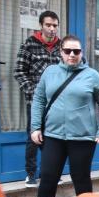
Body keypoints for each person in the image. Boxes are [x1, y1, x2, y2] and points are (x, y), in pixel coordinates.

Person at [30, 35, 99, 197]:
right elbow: (39, 99)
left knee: (81, 179)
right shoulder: (50, 72)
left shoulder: (91, 75)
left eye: (76, 51)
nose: (72, 54)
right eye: (67, 51)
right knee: (48, 178)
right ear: (61, 52)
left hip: (82, 138)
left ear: (81, 52)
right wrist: (35, 127)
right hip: (53, 136)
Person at [14, 10, 62, 187]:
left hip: (57, 103)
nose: (52, 29)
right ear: (41, 25)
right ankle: (31, 174)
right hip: (35, 101)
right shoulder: (29, 44)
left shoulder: (62, 46)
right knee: (33, 137)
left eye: (55, 25)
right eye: (48, 25)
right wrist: (34, 92)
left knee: (53, 138)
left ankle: (49, 173)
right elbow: (19, 71)